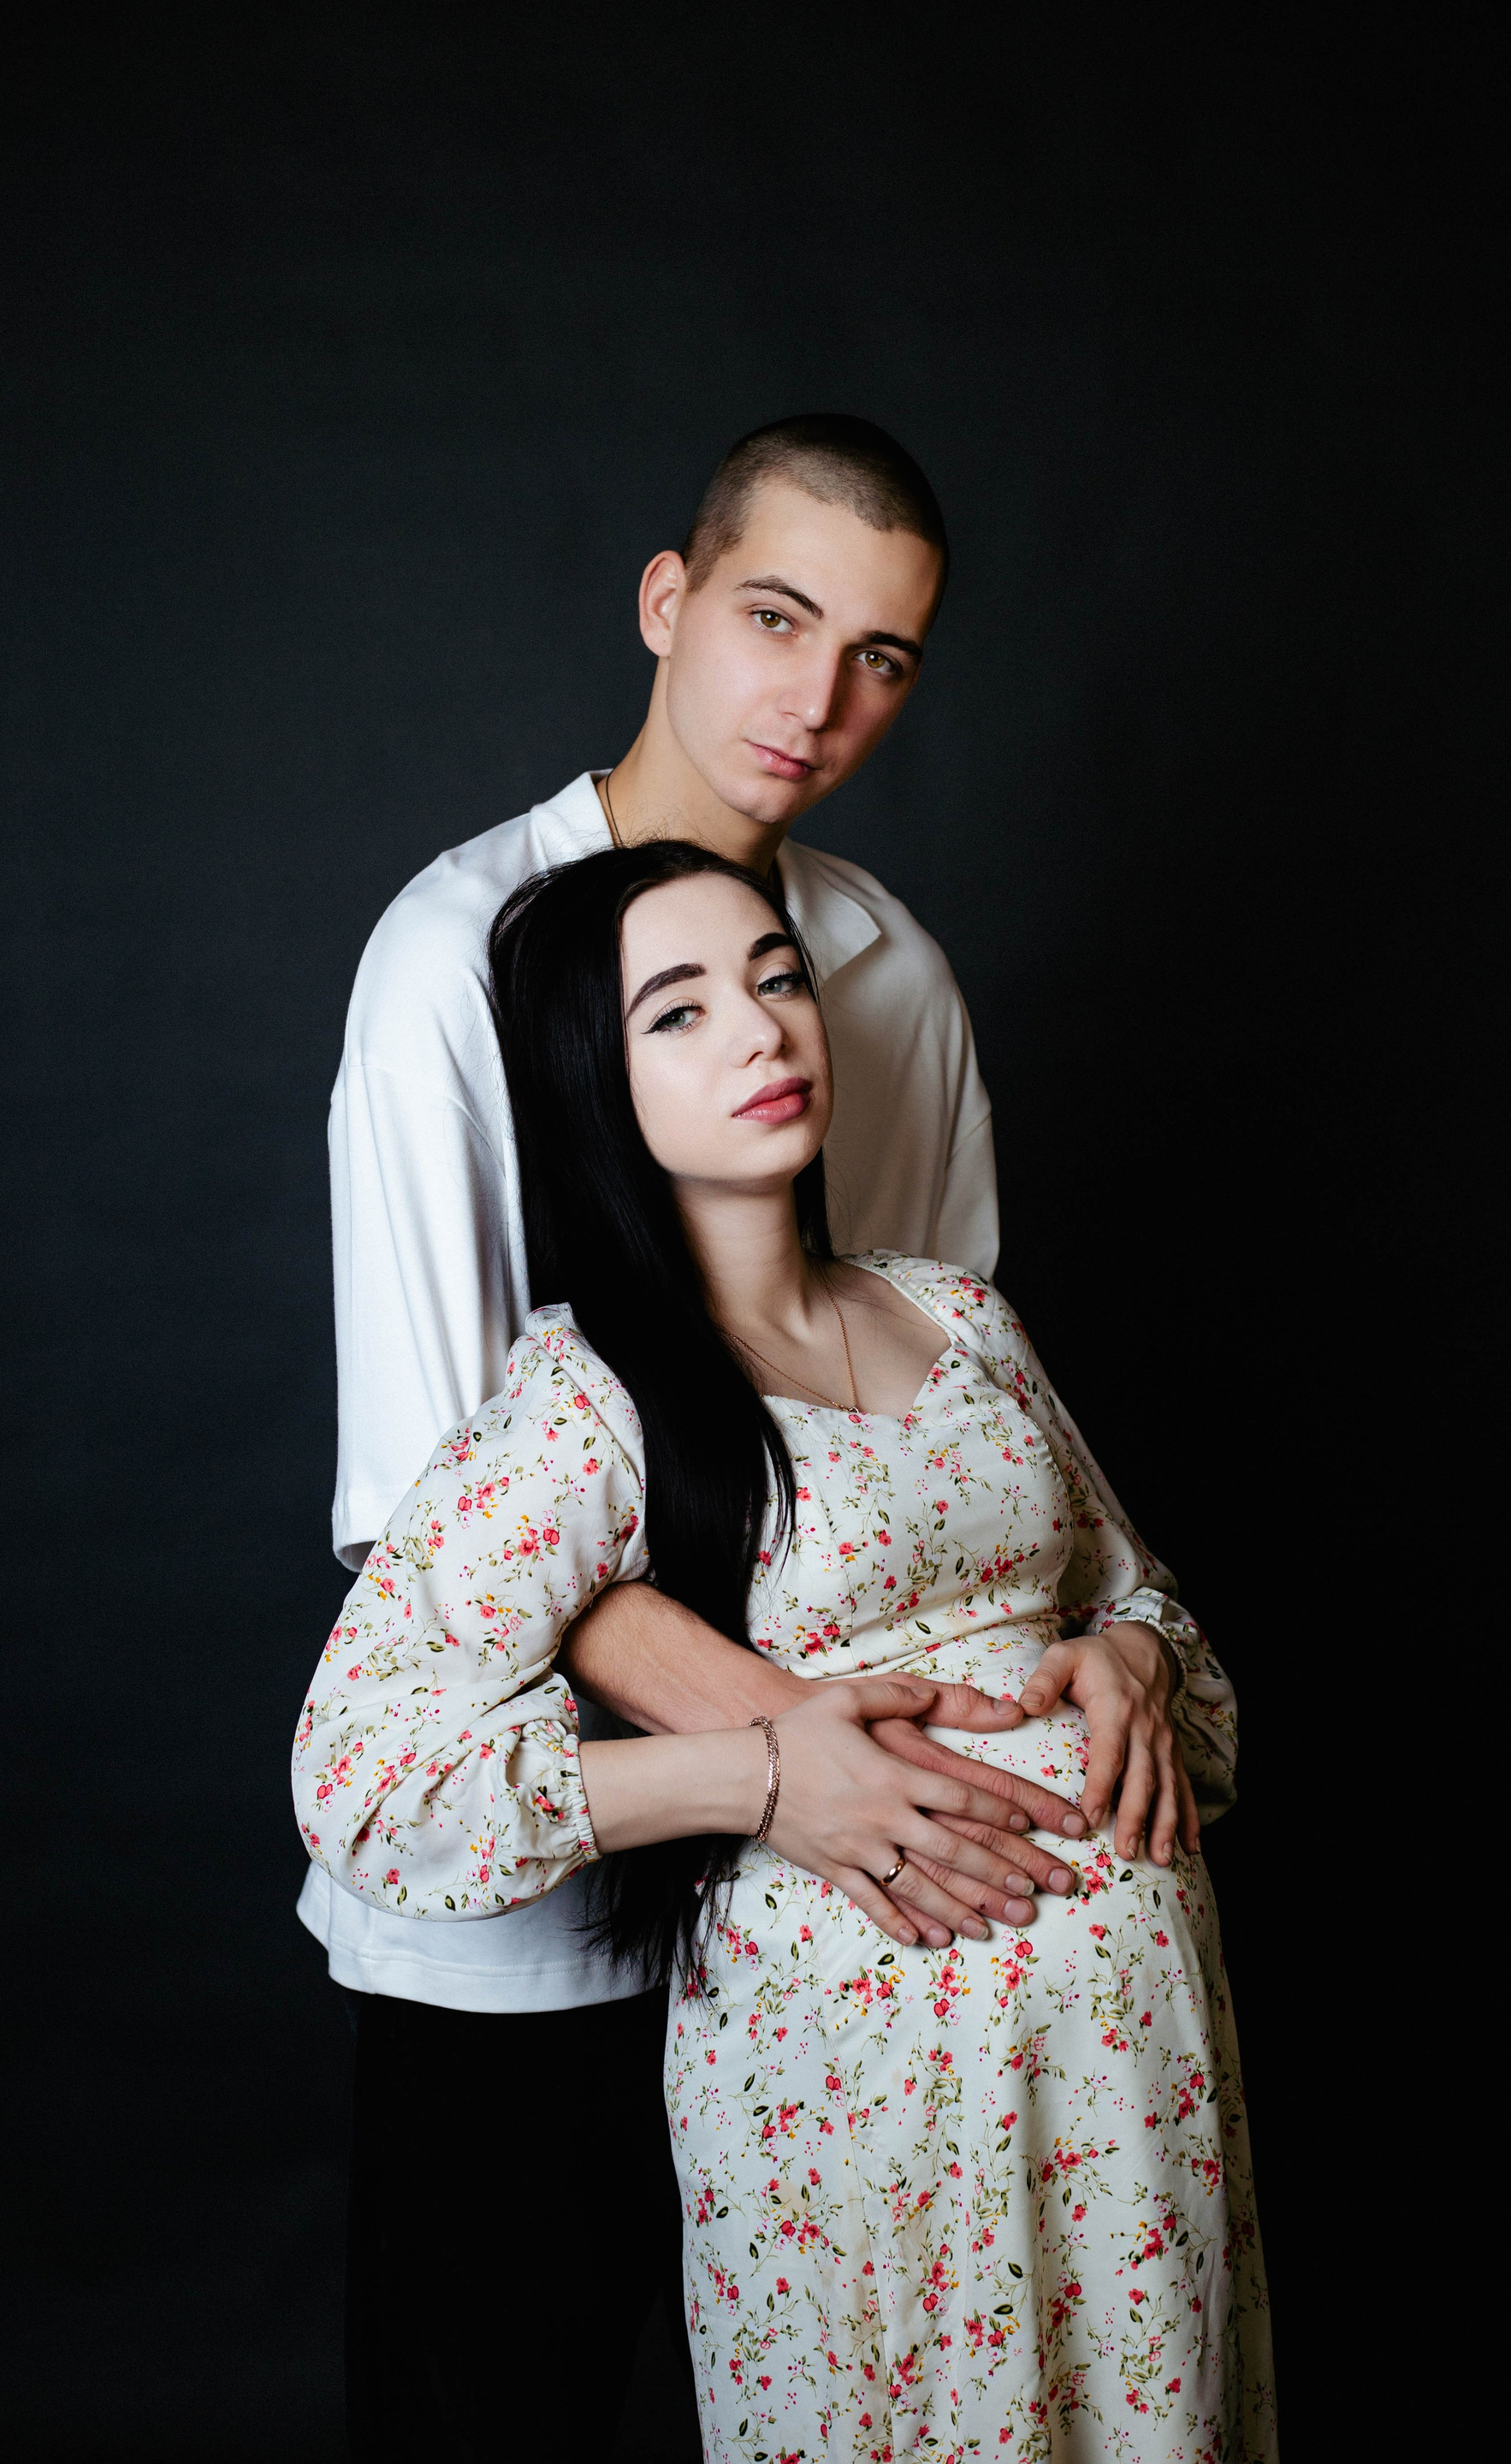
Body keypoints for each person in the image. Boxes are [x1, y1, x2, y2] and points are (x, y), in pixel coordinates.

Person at [304, 416, 1135, 2455]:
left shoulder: (886, 976)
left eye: (882, 657)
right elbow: (443, 1527)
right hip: (555, 1918)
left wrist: (1084, 1674)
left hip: (848, 1949)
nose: (819, 700)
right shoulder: (454, 961)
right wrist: (805, 1772)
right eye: (777, 618)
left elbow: (949, 1447)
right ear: (667, 602)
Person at [293, 841, 1276, 2461]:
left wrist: (1132, 1663)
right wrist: (754, 1776)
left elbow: (1151, 1605)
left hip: (1137, 2086)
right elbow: (365, 1774)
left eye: (776, 978)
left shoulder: (962, 1320)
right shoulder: (586, 1403)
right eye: (677, 1012)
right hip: (862, 2095)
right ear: (593, 1084)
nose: (760, 1030)